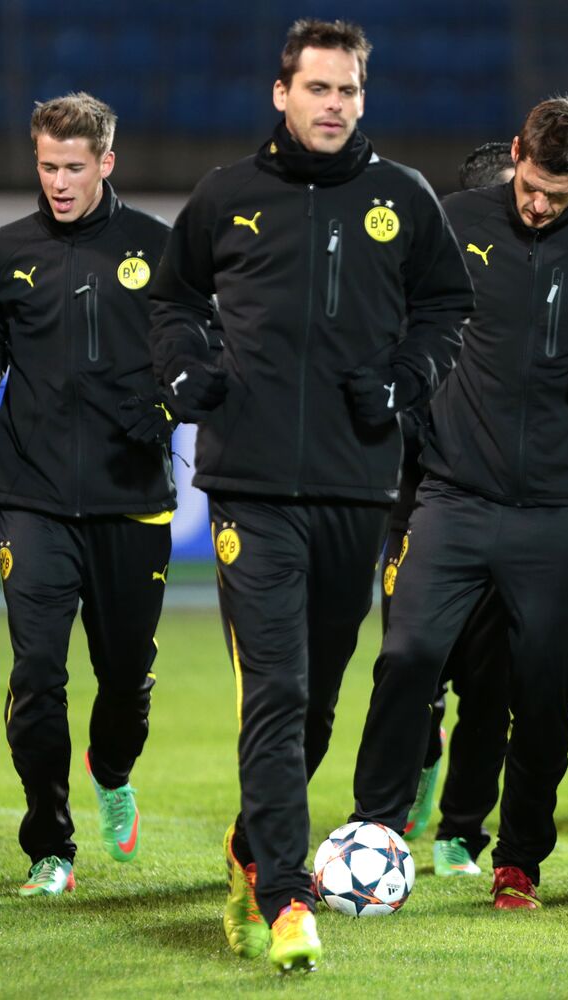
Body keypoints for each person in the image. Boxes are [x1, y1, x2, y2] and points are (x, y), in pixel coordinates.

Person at [149, 18, 472, 974]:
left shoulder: (402, 199)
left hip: (359, 482)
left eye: (349, 91)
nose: (334, 105)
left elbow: (447, 308)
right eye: (318, 89)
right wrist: (187, 370)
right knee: (277, 691)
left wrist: (405, 382)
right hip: (248, 488)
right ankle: (289, 899)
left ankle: (252, 849)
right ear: (281, 95)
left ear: (362, 100)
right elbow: (173, 300)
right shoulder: (227, 196)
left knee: (318, 702)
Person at [351, 96, 568, 910]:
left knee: (543, 693)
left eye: (558, 194)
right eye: (532, 186)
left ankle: (519, 862)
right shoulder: (452, 218)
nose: (539, 204)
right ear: (516, 154)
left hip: (560, 508)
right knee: (405, 658)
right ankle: (374, 831)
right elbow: (383, 310)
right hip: (453, 492)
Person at [0, 93, 174, 898]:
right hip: (33, 497)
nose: (60, 182)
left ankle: (111, 770)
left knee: (124, 683)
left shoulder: (156, 247)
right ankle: (50, 846)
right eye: (47, 167)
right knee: (38, 675)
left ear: (106, 163)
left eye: (75, 167)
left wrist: (170, 402)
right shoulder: (7, 252)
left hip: (132, 501)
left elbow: (197, 346)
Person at [385, 142, 515, 877]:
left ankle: (462, 832)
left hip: (508, 511)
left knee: (490, 689)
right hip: (420, 506)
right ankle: (404, 795)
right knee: (410, 668)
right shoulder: (417, 292)